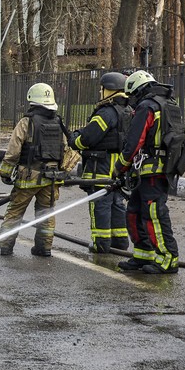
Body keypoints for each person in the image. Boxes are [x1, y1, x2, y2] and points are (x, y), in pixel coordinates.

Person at [114, 71, 180, 274]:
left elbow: (135, 142)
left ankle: (168, 259)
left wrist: (120, 167)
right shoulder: (168, 103)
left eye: (131, 96)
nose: (131, 101)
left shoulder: (147, 106)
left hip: (153, 170)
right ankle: (143, 254)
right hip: (154, 169)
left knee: (154, 214)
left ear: (138, 91)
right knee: (134, 211)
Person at [0, 82, 67, 257]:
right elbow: (65, 149)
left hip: (29, 177)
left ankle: (6, 247)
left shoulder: (27, 122)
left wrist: (5, 172)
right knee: (46, 214)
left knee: (15, 212)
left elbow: (14, 150)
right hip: (51, 179)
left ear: (32, 102)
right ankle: (44, 248)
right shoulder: (59, 123)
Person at [71, 72, 131, 253]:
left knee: (100, 207)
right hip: (119, 170)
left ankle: (101, 244)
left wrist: (75, 139)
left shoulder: (107, 112)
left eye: (102, 89)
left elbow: (89, 137)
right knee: (118, 205)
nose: (100, 92)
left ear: (109, 90)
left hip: (101, 169)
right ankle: (120, 242)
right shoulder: (128, 111)